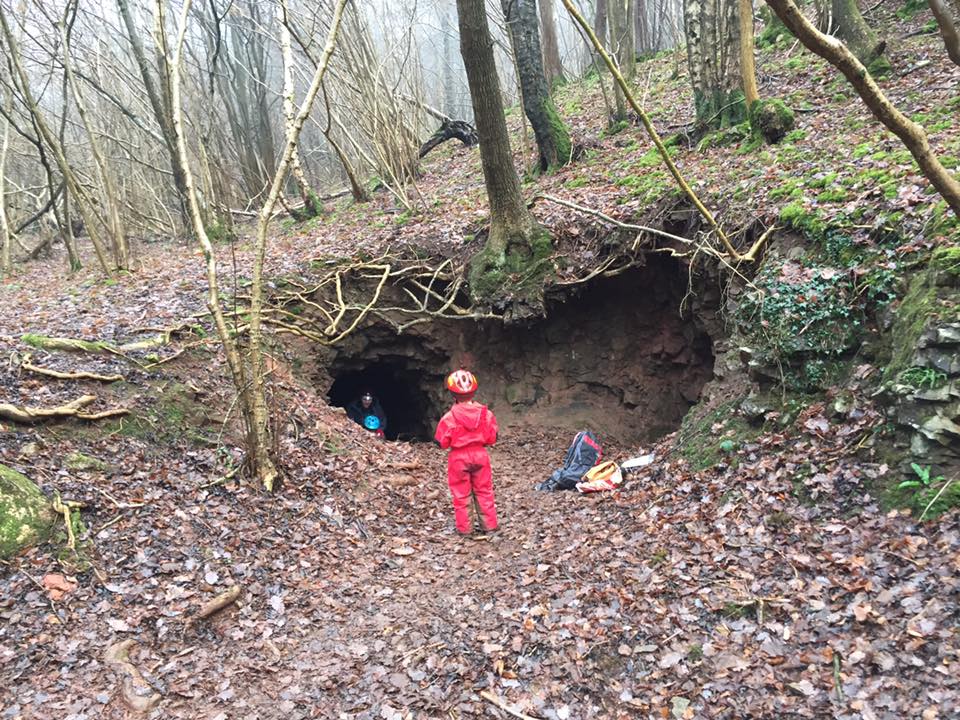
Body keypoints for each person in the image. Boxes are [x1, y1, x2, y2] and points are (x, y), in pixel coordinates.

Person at [434, 369, 499, 536]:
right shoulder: (486, 414)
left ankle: (465, 529)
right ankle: (490, 526)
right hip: (480, 455)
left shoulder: (449, 417)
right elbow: (492, 438)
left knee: (461, 494)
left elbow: (441, 442)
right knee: (484, 491)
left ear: (452, 393)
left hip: (458, 458)